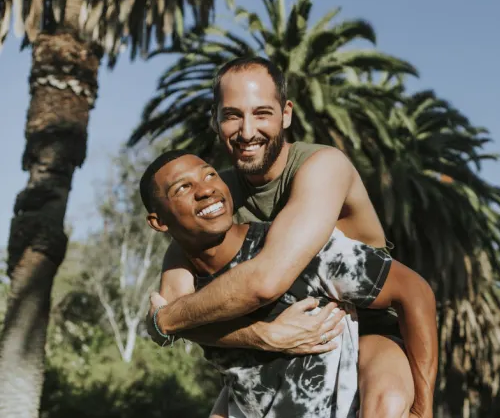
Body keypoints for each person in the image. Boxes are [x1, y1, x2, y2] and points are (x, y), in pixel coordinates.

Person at [149, 57, 437, 417]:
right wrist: (259, 336)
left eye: (262, 113)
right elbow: (179, 310)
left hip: (362, 332)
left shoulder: (322, 168)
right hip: (276, 352)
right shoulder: (213, 198)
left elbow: (260, 283)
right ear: (216, 120)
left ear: (286, 114)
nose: (247, 130)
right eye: (233, 115)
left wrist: (423, 410)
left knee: (389, 399)